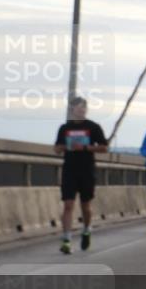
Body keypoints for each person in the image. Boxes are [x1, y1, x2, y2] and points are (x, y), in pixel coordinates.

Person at [53, 96, 108, 254]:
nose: (81, 110)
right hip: (69, 169)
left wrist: (85, 148)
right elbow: (56, 148)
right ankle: (67, 239)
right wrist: (64, 147)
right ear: (72, 110)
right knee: (68, 204)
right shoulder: (65, 128)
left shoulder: (93, 127)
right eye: (78, 107)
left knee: (85, 205)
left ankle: (86, 229)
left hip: (87, 170)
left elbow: (104, 148)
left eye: (84, 107)